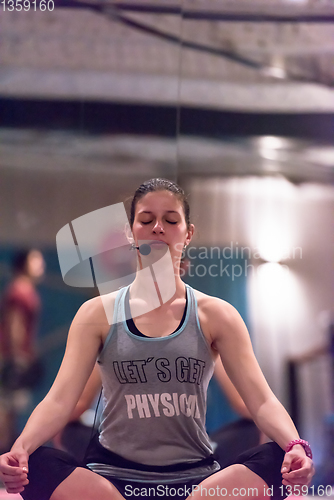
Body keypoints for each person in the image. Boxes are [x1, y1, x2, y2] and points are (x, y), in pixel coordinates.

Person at [0, 178, 314, 500]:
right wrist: (20, 449)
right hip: (112, 482)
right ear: (130, 232)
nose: (158, 229)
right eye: (146, 220)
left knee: (278, 459)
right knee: (36, 462)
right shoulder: (97, 314)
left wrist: (296, 446)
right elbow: (60, 401)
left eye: (171, 220)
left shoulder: (216, 315)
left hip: (195, 483)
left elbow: (260, 401)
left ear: (188, 234)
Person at [0, 249, 45, 451]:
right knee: (5, 409)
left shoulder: (26, 290)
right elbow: (15, 324)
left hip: (15, 356)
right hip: (9, 357)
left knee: (10, 411)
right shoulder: (20, 291)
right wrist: (17, 357)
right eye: (36, 260)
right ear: (24, 263)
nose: (41, 264)